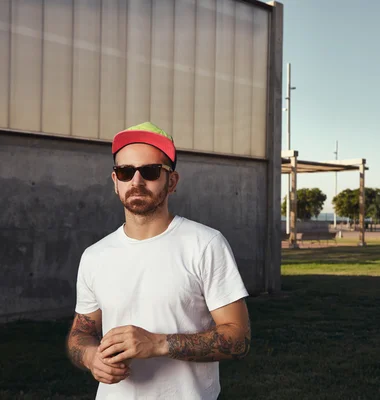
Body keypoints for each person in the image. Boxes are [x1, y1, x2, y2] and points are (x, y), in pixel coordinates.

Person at [66, 122, 251, 399]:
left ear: (172, 181)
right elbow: (80, 334)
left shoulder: (205, 244)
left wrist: (158, 344)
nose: (136, 182)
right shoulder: (95, 255)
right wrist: (91, 357)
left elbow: (239, 338)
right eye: (125, 172)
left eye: (150, 172)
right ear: (115, 182)